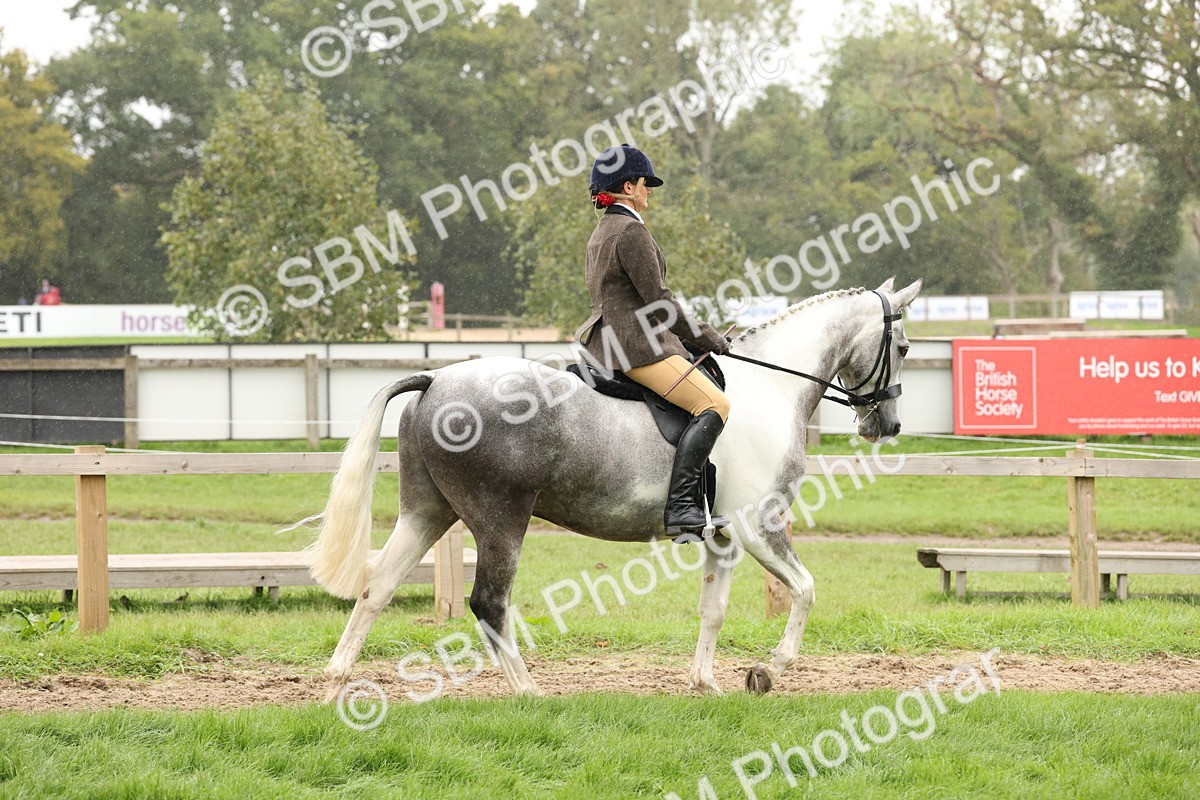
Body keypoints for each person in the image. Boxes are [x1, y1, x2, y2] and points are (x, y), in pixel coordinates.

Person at [574, 144, 732, 537]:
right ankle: (682, 507)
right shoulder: (630, 231)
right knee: (715, 402)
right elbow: (659, 303)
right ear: (628, 187)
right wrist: (708, 336)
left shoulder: (603, 230)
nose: (650, 192)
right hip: (636, 346)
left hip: (607, 340)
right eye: (646, 184)